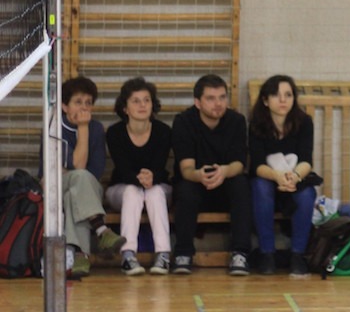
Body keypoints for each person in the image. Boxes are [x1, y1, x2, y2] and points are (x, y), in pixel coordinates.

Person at [171, 73, 252, 276]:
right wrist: (200, 176)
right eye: (211, 98)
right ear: (198, 102)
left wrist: (224, 171)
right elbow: (186, 169)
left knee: (241, 184)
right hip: (196, 182)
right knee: (185, 189)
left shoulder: (236, 121)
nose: (218, 104)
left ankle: (240, 253)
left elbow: (239, 164)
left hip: (226, 183)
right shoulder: (183, 121)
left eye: (222, 97)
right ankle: (183, 253)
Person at [53, 76, 126, 277]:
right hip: (54, 187)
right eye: (78, 102)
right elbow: (75, 168)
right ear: (65, 106)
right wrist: (82, 128)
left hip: (85, 189)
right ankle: (101, 230)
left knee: (75, 193)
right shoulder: (54, 128)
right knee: (78, 180)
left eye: (88, 103)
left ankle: (81, 256)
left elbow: (92, 172)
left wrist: (84, 129)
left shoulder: (96, 129)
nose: (84, 108)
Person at [247, 74, 317, 276]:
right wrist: (277, 177)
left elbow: (306, 160)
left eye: (288, 95)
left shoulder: (304, 122)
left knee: (307, 194)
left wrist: (295, 176)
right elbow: (257, 164)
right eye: (276, 95)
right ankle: (267, 254)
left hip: (294, 176)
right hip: (268, 177)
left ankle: (298, 255)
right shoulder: (257, 124)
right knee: (260, 187)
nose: (283, 100)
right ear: (265, 100)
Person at [105, 77, 173, 276]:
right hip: (122, 188)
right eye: (136, 101)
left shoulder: (163, 131)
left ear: (153, 104)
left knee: (154, 192)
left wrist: (152, 177)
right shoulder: (115, 132)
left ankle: (163, 254)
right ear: (125, 108)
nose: (142, 105)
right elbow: (123, 169)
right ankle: (128, 255)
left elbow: (160, 167)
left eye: (146, 100)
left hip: (157, 186)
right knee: (132, 192)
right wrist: (140, 179)